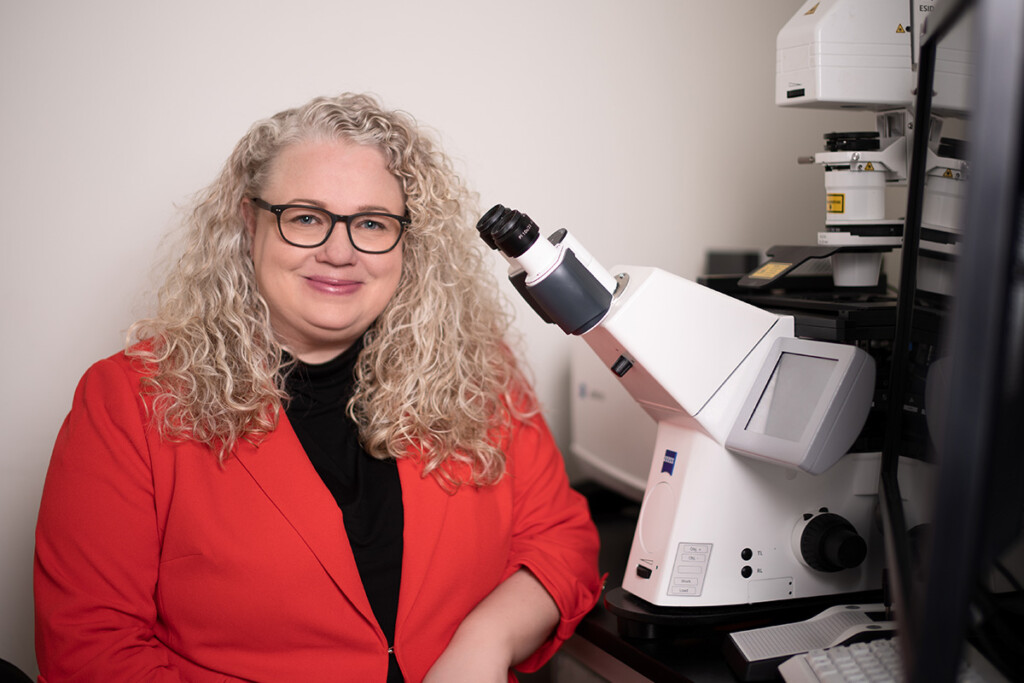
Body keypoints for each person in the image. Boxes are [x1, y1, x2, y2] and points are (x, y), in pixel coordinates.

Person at [34, 93, 603, 683]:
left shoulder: (478, 372)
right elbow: (90, 649)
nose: (339, 252)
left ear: (407, 242)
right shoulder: (129, 399)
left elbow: (561, 541)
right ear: (249, 222)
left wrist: (486, 641)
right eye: (306, 217)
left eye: (372, 223)